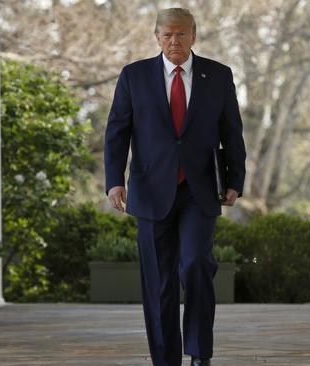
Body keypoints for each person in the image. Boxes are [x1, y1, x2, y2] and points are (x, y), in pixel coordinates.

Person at [104, 7, 246, 366]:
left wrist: (235, 181)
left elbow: (232, 132)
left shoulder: (218, 75)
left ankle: (199, 352)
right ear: (156, 38)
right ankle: (165, 359)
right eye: (166, 35)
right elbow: (117, 133)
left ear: (194, 36)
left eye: (181, 34)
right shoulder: (133, 76)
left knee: (197, 264)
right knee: (159, 282)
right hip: (150, 192)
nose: (174, 41)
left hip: (199, 191)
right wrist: (113, 182)